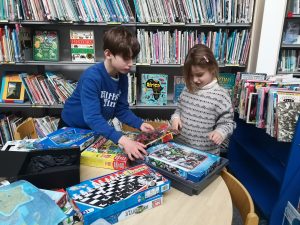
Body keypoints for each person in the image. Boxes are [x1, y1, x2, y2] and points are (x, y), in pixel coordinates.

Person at [60, 26, 154, 160]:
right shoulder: (92, 77)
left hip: (93, 130)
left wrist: (139, 124)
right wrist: (124, 140)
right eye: (126, 58)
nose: (131, 63)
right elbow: (92, 117)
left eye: (132, 58)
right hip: (71, 128)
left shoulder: (122, 76)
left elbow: (120, 109)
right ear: (108, 54)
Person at [171, 44, 235, 155]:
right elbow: (179, 110)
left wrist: (220, 132)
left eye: (199, 75)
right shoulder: (187, 89)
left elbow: (228, 123)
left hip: (205, 155)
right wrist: (175, 118)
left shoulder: (221, 95)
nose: (195, 80)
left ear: (212, 69)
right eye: (191, 75)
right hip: (180, 149)